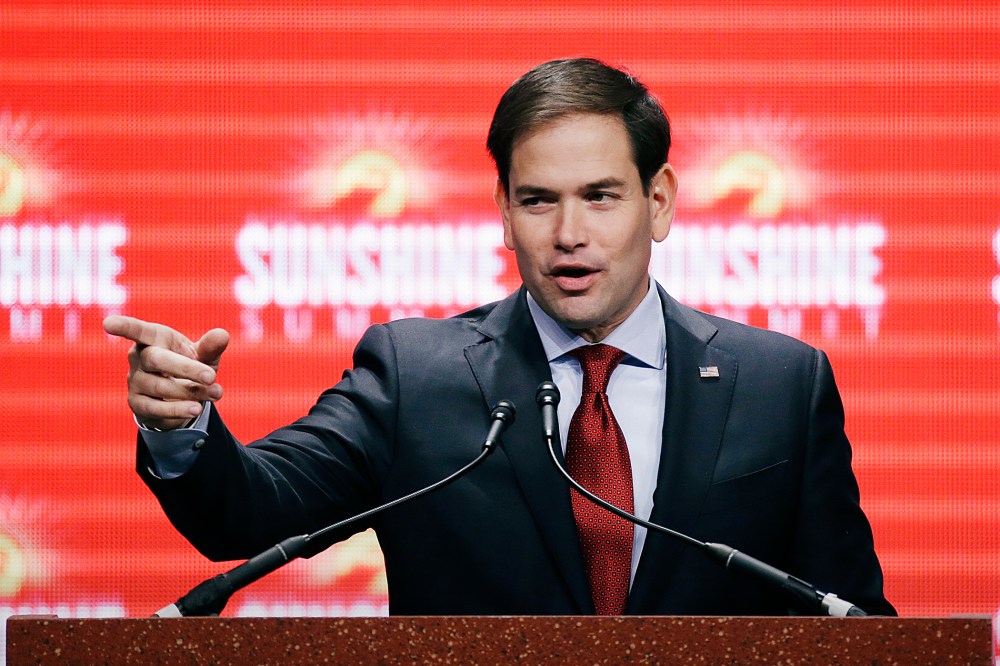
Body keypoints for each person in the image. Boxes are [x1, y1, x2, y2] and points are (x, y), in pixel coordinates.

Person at [104, 58, 895, 616]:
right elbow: (247, 515)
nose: (570, 233)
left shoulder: (781, 383)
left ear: (659, 202)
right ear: (505, 211)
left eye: (602, 196)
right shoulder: (416, 375)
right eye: (539, 200)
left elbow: (853, 622)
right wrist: (182, 430)